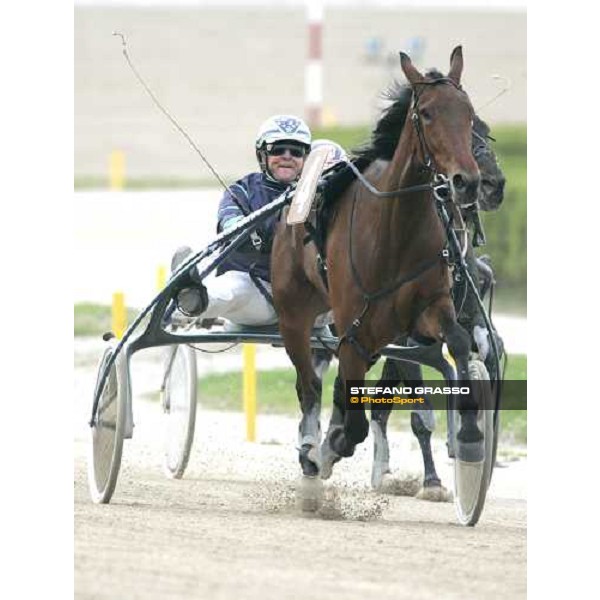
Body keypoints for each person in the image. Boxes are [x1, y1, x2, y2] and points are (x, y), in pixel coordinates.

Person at [172, 114, 312, 326]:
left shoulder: (317, 193)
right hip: (257, 293)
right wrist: (243, 231)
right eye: (277, 149)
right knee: (233, 289)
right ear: (262, 154)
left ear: (306, 158)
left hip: (305, 299)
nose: (287, 156)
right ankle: (193, 300)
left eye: (296, 151)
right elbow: (228, 219)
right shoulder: (242, 190)